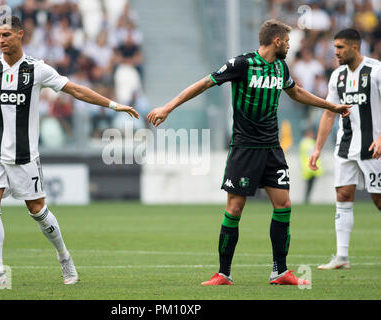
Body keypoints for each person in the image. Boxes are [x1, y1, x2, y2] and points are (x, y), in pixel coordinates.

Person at [147, 19, 351, 286]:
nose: (289, 46)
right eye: (287, 41)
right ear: (276, 41)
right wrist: (168, 107)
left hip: (272, 148)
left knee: (284, 205)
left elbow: (296, 92)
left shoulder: (280, 66)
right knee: (235, 208)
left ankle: (279, 271)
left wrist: (330, 106)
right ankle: (223, 273)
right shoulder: (242, 64)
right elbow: (204, 83)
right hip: (244, 147)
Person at [0, 16, 138, 286]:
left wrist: (114, 105)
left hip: (25, 157)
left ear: (20, 35)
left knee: (37, 209)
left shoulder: (36, 69)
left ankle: (64, 256)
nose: (1, 40)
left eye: (6, 35)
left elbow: (75, 90)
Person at [309, 29, 381, 270]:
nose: (335, 52)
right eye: (335, 47)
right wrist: (318, 148)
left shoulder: (376, 70)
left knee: (378, 200)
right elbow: (329, 112)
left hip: (374, 147)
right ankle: (341, 257)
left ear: (355, 47)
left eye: (340, 47)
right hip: (346, 145)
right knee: (342, 195)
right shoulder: (337, 76)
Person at [299, 129, 323, 204]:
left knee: (309, 186)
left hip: (307, 168)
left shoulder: (303, 143)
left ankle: (306, 199)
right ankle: (306, 199)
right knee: (309, 186)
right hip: (310, 168)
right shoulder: (309, 142)